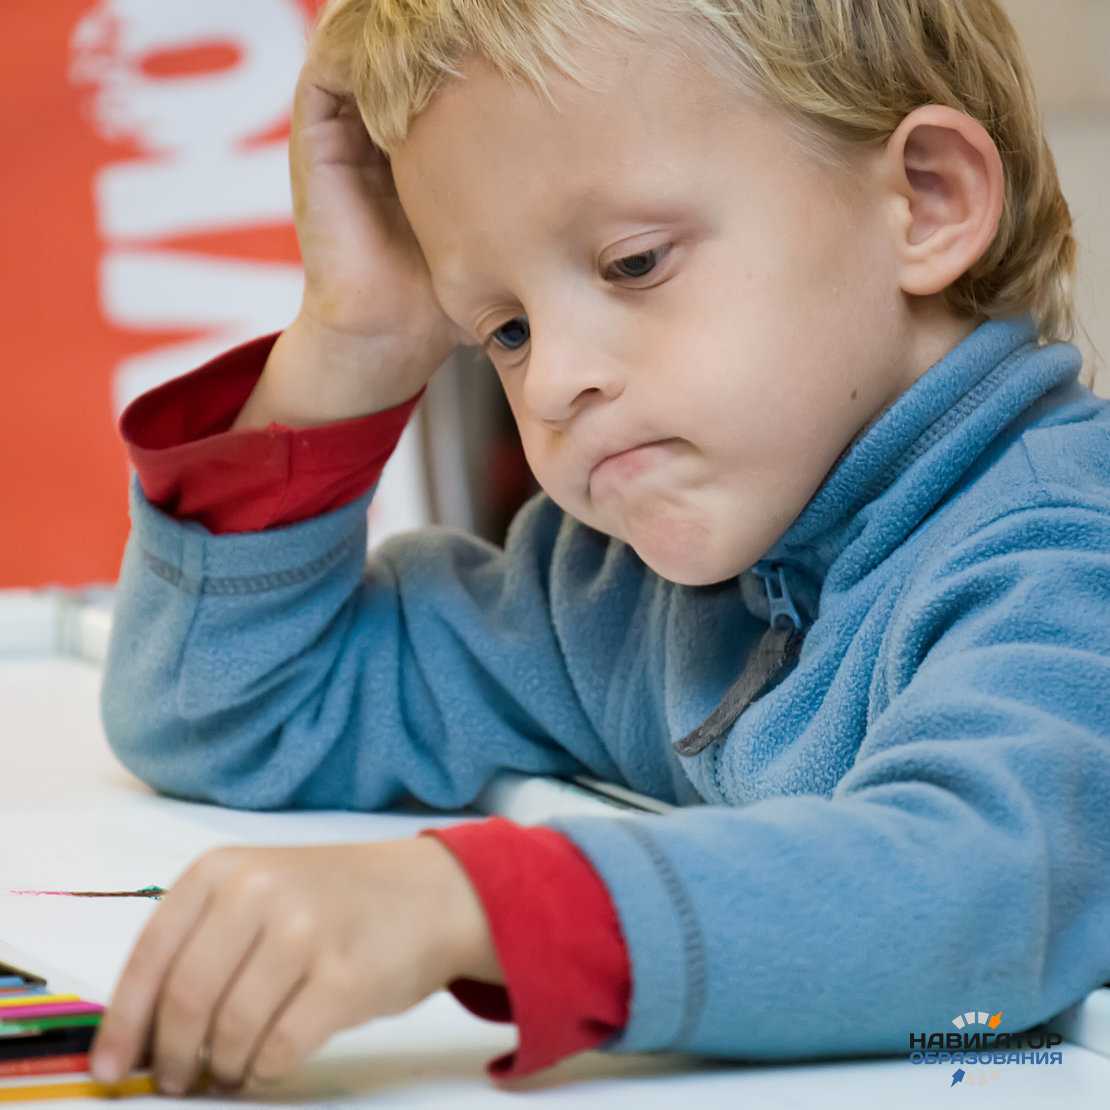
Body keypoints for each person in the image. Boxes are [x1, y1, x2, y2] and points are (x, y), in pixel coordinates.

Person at [88, 0, 1110, 1097]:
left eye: (632, 265)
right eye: (506, 331)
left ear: (926, 200)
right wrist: (354, 340)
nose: (557, 378)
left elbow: (982, 897)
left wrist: (466, 903)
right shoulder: (611, 596)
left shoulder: (1063, 551)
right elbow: (228, 712)